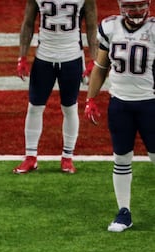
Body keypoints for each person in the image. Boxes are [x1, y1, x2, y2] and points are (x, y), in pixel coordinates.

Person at [85, 0, 155, 232]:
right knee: (121, 158)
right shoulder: (110, 27)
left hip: (150, 103)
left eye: (140, 5)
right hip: (120, 104)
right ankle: (124, 211)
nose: (136, 11)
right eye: (131, 6)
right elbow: (101, 65)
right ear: (122, 7)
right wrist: (91, 98)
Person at [13, 0, 98, 175]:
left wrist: (93, 58)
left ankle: (67, 157)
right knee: (35, 106)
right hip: (44, 56)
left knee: (69, 107)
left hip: (71, 56)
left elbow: (91, 25)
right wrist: (21, 56)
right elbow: (28, 22)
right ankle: (30, 157)